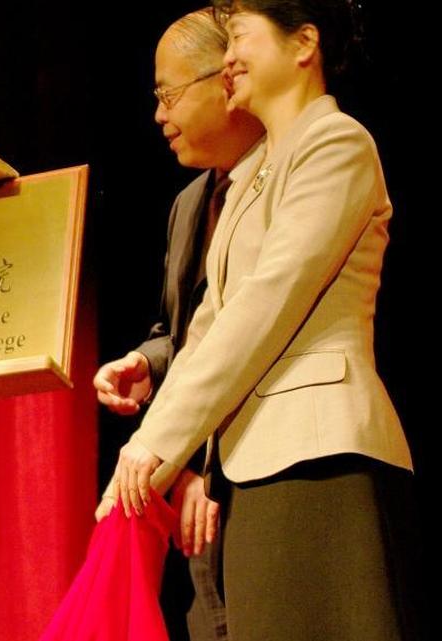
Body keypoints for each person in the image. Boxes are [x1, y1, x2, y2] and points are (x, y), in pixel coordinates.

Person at [111, 2, 418, 639]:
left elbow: (265, 304)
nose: (229, 59)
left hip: (317, 454)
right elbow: (208, 328)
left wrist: (156, 444)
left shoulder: (335, 143)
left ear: (303, 43)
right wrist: (140, 466)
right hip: (251, 465)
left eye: (240, 38)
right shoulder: (251, 178)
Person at [92, 9, 263, 641]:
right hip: (190, 482)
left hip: (256, 458)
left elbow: (255, 331)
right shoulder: (190, 203)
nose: (160, 116)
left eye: (169, 95)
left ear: (228, 79)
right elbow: (183, 329)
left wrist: (198, 462)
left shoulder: (288, 174)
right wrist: (147, 360)